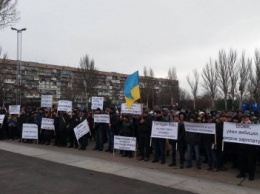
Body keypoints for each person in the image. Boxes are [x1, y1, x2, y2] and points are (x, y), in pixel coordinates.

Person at [236, 113, 257, 181]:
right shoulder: (239, 125)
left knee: (250, 161)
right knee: (241, 161)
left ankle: (251, 175)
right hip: (241, 146)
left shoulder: (253, 125)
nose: (244, 118)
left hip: (250, 147)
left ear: (248, 118)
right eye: (243, 117)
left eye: (246, 117)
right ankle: (242, 173)